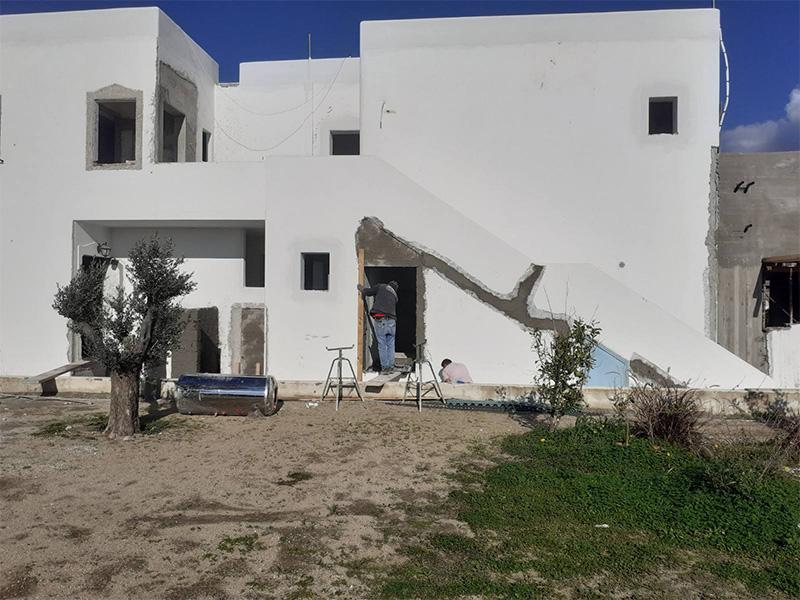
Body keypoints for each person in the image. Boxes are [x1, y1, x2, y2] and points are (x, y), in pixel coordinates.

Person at [358, 280, 399, 372]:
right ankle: (391, 366)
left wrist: (361, 288)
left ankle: (385, 368)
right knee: (391, 344)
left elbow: (368, 292)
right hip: (392, 321)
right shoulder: (395, 296)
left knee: (382, 344)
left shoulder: (382, 286)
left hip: (381, 318)